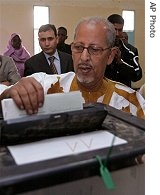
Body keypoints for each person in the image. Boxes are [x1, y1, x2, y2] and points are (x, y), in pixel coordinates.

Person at [0, 16, 145, 119]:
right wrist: (10, 92)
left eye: (94, 49)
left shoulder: (131, 102)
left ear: (111, 56)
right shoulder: (46, 86)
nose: (84, 57)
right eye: (78, 47)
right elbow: (6, 93)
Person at [105, 14, 142, 87]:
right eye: (114, 29)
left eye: (120, 30)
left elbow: (138, 75)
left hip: (123, 96)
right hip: (102, 95)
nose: (117, 34)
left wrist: (120, 63)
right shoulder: (98, 48)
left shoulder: (131, 51)